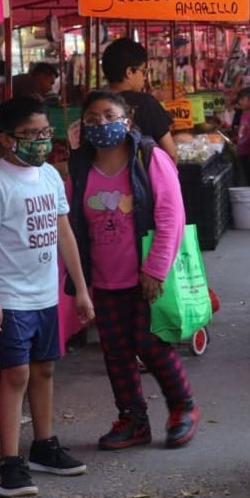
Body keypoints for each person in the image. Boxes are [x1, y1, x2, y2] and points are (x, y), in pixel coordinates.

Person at [0, 97, 93, 498]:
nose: (41, 142)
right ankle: (8, 462)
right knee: (16, 374)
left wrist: (81, 288)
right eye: (31, 135)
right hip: (11, 296)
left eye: (45, 133)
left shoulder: (50, 178)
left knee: (44, 370)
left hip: (45, 295)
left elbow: (64, 233)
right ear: (6, 139)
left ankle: (44, 445)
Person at [67, 90, 200, 451]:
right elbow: (73, 220)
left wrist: (155, 268)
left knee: (151, 343)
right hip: (105, 277)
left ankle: (182, 407)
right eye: (92, 119)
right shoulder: (79, 166)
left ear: (127, 121)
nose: (101, 125)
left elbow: (172, 214)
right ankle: (133, 419)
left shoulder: (148, 157)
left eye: (109, 116)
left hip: (146, 274)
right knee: (115, 350)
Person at [99, 38, 177, 163]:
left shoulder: (94, 103)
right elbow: (171, 154)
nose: (145, 78)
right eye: (143, 71)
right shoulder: (146, 103)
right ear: (129, 72)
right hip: (142, 180)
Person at [232, 86, 250, 187]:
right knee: (248, 179)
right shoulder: (243, 114)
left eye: (242, 99)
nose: (239, 101)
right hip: (243, 152)